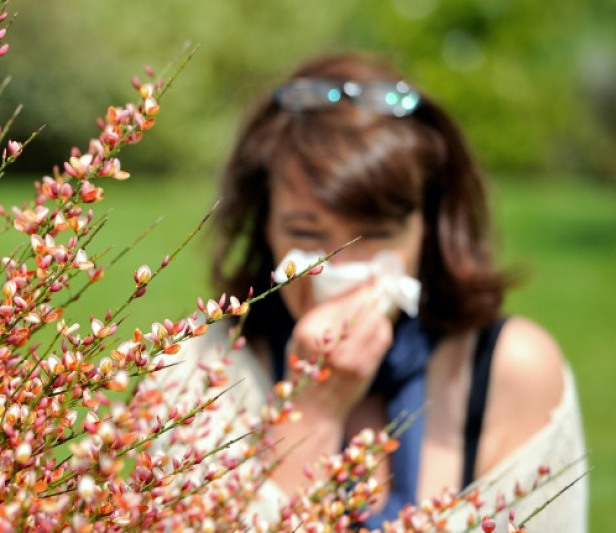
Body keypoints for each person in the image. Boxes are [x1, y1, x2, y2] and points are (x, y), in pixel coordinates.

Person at [165, 52, 588, 530]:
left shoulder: (511, 373)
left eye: (376, 235)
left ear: (428, 229)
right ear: (264, 228)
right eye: (306, 233)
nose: (338, 266)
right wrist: (310, 410)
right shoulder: (200, 376)